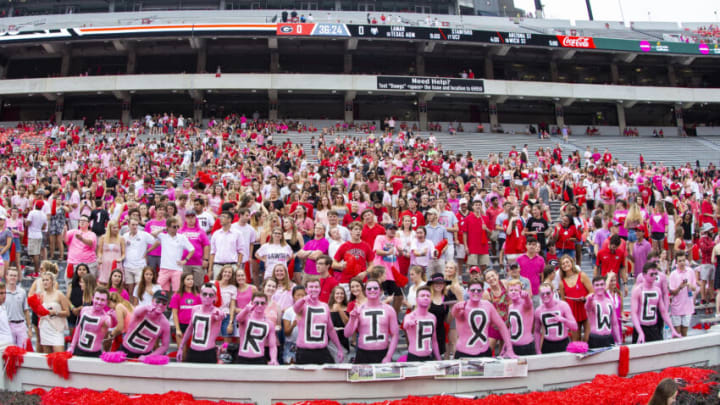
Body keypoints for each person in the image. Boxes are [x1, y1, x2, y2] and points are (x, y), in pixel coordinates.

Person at [454, 279, 516, 358]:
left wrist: (510, 349)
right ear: (468, 291)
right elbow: (455, 313)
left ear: (483, 291)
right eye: (473, 290)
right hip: (464, 353)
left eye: (479, 290)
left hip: (484, 352)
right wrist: (457, 309)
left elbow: (502, 326)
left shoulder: (488, 306)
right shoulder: (462, 307)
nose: (476, 292)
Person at [344, 278, 399, 364]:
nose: (372, 290)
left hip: (383, 353)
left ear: (380, 290)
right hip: (363, 354)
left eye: (375, 288)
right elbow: (347, 334)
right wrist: (352, 319)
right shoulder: (359, 309)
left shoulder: (389, 309)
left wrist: (388, 356)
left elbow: (395, 335)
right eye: (369, 289)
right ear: (365, 291)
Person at [292, 276, 344, 364]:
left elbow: (330, 329)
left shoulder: (325, 306)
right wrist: (303, 299)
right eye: (311, 287)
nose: (314, 289)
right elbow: (296, 308)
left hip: (322, 351)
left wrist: (339, 348)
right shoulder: (302, 305)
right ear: (306, 289)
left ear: (320, 289)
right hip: (304, 352)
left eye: (316, 287)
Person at [631, 263, 680, 344]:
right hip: (641, 326)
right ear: (644, 275)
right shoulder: (638, 290)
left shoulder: (657, 290)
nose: (654, 276)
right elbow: (634, 313)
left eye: (655, 274)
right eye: (651, 274)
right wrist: (640, 332)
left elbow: (663, 312)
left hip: (654, 327)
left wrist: (672, 329)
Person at [177, 283, 224, 363]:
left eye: (211, 295)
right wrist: (181, 347)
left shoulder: (216, 311)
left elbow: (220, 315)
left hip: (208, 352)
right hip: (193, 351)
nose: (207, 297)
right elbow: (190, 328)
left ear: (215, 298)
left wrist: (218, 316)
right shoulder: (195, 309)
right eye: (205, 294)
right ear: (200, 295)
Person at [147, 217, 195, 292]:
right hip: (164, 268)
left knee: (177, 291)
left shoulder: (182, 237)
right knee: (159, 288)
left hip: (177, 269)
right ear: (168, 227)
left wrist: (185, 260)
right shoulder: (163, 236)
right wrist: (163, 229)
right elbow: (152, 233)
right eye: (174, 226)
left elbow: (192, 249)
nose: (176, 228)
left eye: (177, 226)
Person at [120, 290, 171, 360]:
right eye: (158, 301)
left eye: (164, 303)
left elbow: (165, 346)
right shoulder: (143, 310)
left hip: (144, 355)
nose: (161, 304)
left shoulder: (165, 323)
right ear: (153, 300)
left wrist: (149, 357)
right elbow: (136, 312)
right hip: (126, 350)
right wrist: (146, 308)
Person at [67, 287, 113, 357]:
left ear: (107, 302)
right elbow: (79, 328)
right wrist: (72, 346)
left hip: (95, 354)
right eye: (97, 298)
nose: (99, 302)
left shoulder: (106, 318)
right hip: (79, 350)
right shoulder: (84, 310)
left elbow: (113, 329)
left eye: (102, 300)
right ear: (92, 298)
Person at [235, 292, 279, 364]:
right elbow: (238, 319)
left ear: (266, 304)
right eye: (256, 303)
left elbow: (273, 346)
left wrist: (273, 359)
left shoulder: (269, 324)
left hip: (259, 359)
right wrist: (246, 309)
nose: (259, 305)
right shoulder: (246, 318)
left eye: (262, 303)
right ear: (252, 303)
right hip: (242, 358)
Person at [557, 255, 593, 342]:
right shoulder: (562, 283)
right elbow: (563, 301)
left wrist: (584, 298)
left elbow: (592, 291)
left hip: (585, 309)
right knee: (575, 339)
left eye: (567, 262)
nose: (565, 265)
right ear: (561, 267)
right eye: (563, 264)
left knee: (588, 338)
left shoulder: (582, 275)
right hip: (573, 312)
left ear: (571, 263)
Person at [534, 282, 577, 354]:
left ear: (553, 293)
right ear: (539, 295)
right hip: (547, 344)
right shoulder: (538, 310)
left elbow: (575, 327)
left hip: (563, 343)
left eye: (548, 293)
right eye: (542, 294)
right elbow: (536, 331)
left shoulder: (563, 305)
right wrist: (538, 350)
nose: (545, 296)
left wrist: (564, 320)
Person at [403, 285, 441, 361]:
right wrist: (409, 323)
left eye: (428, 296)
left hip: (429, 357)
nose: (425, 298)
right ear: (416, 299)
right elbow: (405, 325)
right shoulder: (410, 316)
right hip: (414, 357)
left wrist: (439, 359)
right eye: (422, 296)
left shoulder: (433, 317)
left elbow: (434, 340)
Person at [584, 277, 621, 348]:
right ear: (593, 287)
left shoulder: (609, 301)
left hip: (609, 337)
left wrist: (619, 341)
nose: (599, 287)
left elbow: (615, 323)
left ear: (605, 285)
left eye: (601, 284)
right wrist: (589, 300)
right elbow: (588, 307)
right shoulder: (592, 301)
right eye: (597, 285)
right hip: (595, 338)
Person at [38, 272, 70, 353]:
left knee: (59, 355)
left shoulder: (59, 294)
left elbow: (67, 312)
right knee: (47, 356)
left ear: (52, 281)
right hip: (45, 327)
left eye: (47, 280)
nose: (45, 282)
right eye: (43, 280)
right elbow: (39, 312)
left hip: (56, 328)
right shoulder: (41, 295)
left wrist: (55, 312)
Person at [122, 218, 156, 297]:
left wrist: (147, 251)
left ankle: (138, 307)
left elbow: (156, 242)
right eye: (133, 225)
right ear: (128, 225)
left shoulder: (144, 234)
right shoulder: (125, 236)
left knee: (139, 289)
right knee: (130, 291)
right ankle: (131, 307)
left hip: (139, 266)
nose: (135, 227)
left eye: (136, 225)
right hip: (127, 266)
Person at [668, 251, 698, 337]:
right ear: (676, 262)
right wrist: (680, 287)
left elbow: (694, 288)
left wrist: (689, 285)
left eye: (683, 260)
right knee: (677, 333)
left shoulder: (690, 271)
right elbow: (672, 292)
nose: (682, 263)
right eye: (680, 261)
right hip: (677, 307)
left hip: (687, 306)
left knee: (684, 332)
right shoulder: (673, 274)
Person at [179, 209, 211, 287]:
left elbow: (206, 245)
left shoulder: (201, 231)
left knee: (198, 285)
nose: (190, 219)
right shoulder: (180, 231)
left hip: (198, 263)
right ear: (185, 219)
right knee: (185, 285)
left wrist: (206, 259)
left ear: (195, 218)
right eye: (188, 217)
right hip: (184, 262)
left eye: (192, 217)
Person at [209, 211, 245, 279]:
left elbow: (241, 251)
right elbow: (212, 252)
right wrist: (210, 269)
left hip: (232, 265)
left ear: (229, 219)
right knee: (218, 286)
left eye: (223, 217)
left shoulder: (237, 234)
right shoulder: (216, 234)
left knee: (232, 286)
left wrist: (238, 265)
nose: (220, 219)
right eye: (220, 216)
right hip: (218, 265)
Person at [170, 272, 201, 348]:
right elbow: (174, 313)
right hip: (181, 326)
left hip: (193, 326)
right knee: (182, 351)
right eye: (188, 279)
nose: (191, 281)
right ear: (183, 281)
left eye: (192, 279)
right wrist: (177, 329)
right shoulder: (176, 296)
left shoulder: (198, 296)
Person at [507, 280, 536, 355]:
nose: (513, 292)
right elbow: (511, 327)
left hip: (526, 347)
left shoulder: (525, 304)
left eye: (516, 290)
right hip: (514, 347)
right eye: (511, 290)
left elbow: (529, 304)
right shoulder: (510, 307)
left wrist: (526, 297)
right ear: (508, 293)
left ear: (520, 291)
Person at [4, 268, 31, 347]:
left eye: (15, 276)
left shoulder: (22, 292)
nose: (13, 277)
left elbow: (26, 310)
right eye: (11, 275)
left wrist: (29, 327)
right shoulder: (2, 292)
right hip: (8, 325)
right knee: (9, 350)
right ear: (6, 277)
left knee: (23, 349)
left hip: (21, 324)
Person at [97, 220, 126, 285]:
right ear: (109, 228)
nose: (116, 229)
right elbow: (100, 251)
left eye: (117, 227)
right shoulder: (103, 238)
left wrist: (121, 259)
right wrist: (99, 258)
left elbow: (123, 253)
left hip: (116, 263)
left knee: (116, 282)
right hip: (105, 263)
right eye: (114, 228)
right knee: (104, 282)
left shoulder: (121, 238)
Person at [26, 201, 48, 275]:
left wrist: (26, 222)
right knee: (36, 253)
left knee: (34, 254)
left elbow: (28, 223)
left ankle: (36, 271)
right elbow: (44, 226)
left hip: (33, 235)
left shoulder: (32, 212)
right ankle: (37, 269)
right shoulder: (43, 215)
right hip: (39, 234)